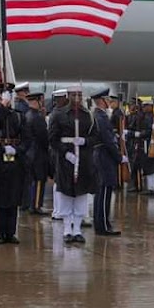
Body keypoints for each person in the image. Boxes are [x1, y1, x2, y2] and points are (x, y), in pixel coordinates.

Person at [48, 86, 98, 244]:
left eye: (79, 94)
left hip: (83, 160)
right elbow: (53, 139)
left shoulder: (88, 115)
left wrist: (85, 141)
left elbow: (95, 136)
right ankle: (67, 229)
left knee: (81, 195)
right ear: (68, 96)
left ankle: (77, 228)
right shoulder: (59, 115)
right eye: (74, 95)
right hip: (65, 160)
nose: (77, 98)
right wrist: (65, 153)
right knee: (66, 195)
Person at [0, 82, 28, 244]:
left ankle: (11, 231)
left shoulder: (18, 115)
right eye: (4, 94)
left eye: (9, 94)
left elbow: (27, 137)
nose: (7, 97)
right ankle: (1, 232)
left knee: (13, 194)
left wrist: (18, 149)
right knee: (0, 196)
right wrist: (2, 106)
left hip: (14, 156)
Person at [91, 90, 127, 236]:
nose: (109, 103)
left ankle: (100, 224)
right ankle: (104, 225)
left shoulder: (97, 115)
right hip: (104, 156)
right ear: (102, 101)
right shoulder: (101, 117)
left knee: (101, 192)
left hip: (100, 155)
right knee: (105, 191)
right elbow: (108, 140)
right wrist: (119, 157)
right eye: (107, 100)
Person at [24, 92, 51, 215]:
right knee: (39, 179)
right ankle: (36, 205)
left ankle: (29, 203)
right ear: (37, 101)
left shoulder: (27, 115)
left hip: (29, 151)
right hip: (38, 152)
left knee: (31, 180)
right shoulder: (37, 117)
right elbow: (43, 137)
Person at [49, 88, 68, 221]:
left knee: (58, 180)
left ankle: (58, 210)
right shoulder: (58, 114)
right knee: (60, 180)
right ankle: (59, 210)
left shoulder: (56, 112)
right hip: (59, 150)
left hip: (56, 149)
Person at [109, 95, 127, 189]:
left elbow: (118, 127)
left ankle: (118, 182)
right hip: (116, 137)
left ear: (116, 103)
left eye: (112, 102)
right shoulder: (115, 112)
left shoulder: (117, 113)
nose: (110, 104)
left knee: (117, 160)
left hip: (117, 138)